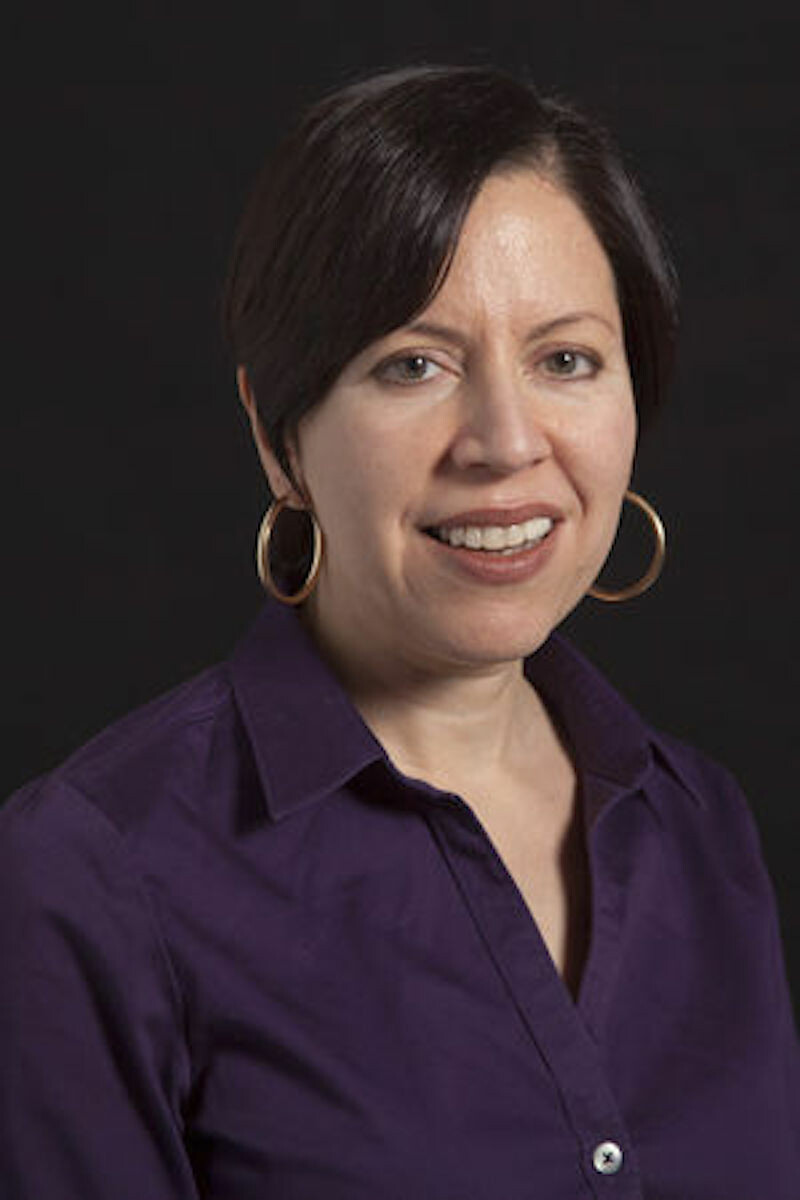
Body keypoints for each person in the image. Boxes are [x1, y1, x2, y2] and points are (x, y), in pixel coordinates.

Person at [1, 65, 797, 1200]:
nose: (504, 442)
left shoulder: (698, 826)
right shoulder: (89, 878)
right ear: (279, 437)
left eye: (564, 359)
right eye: (412, 364)